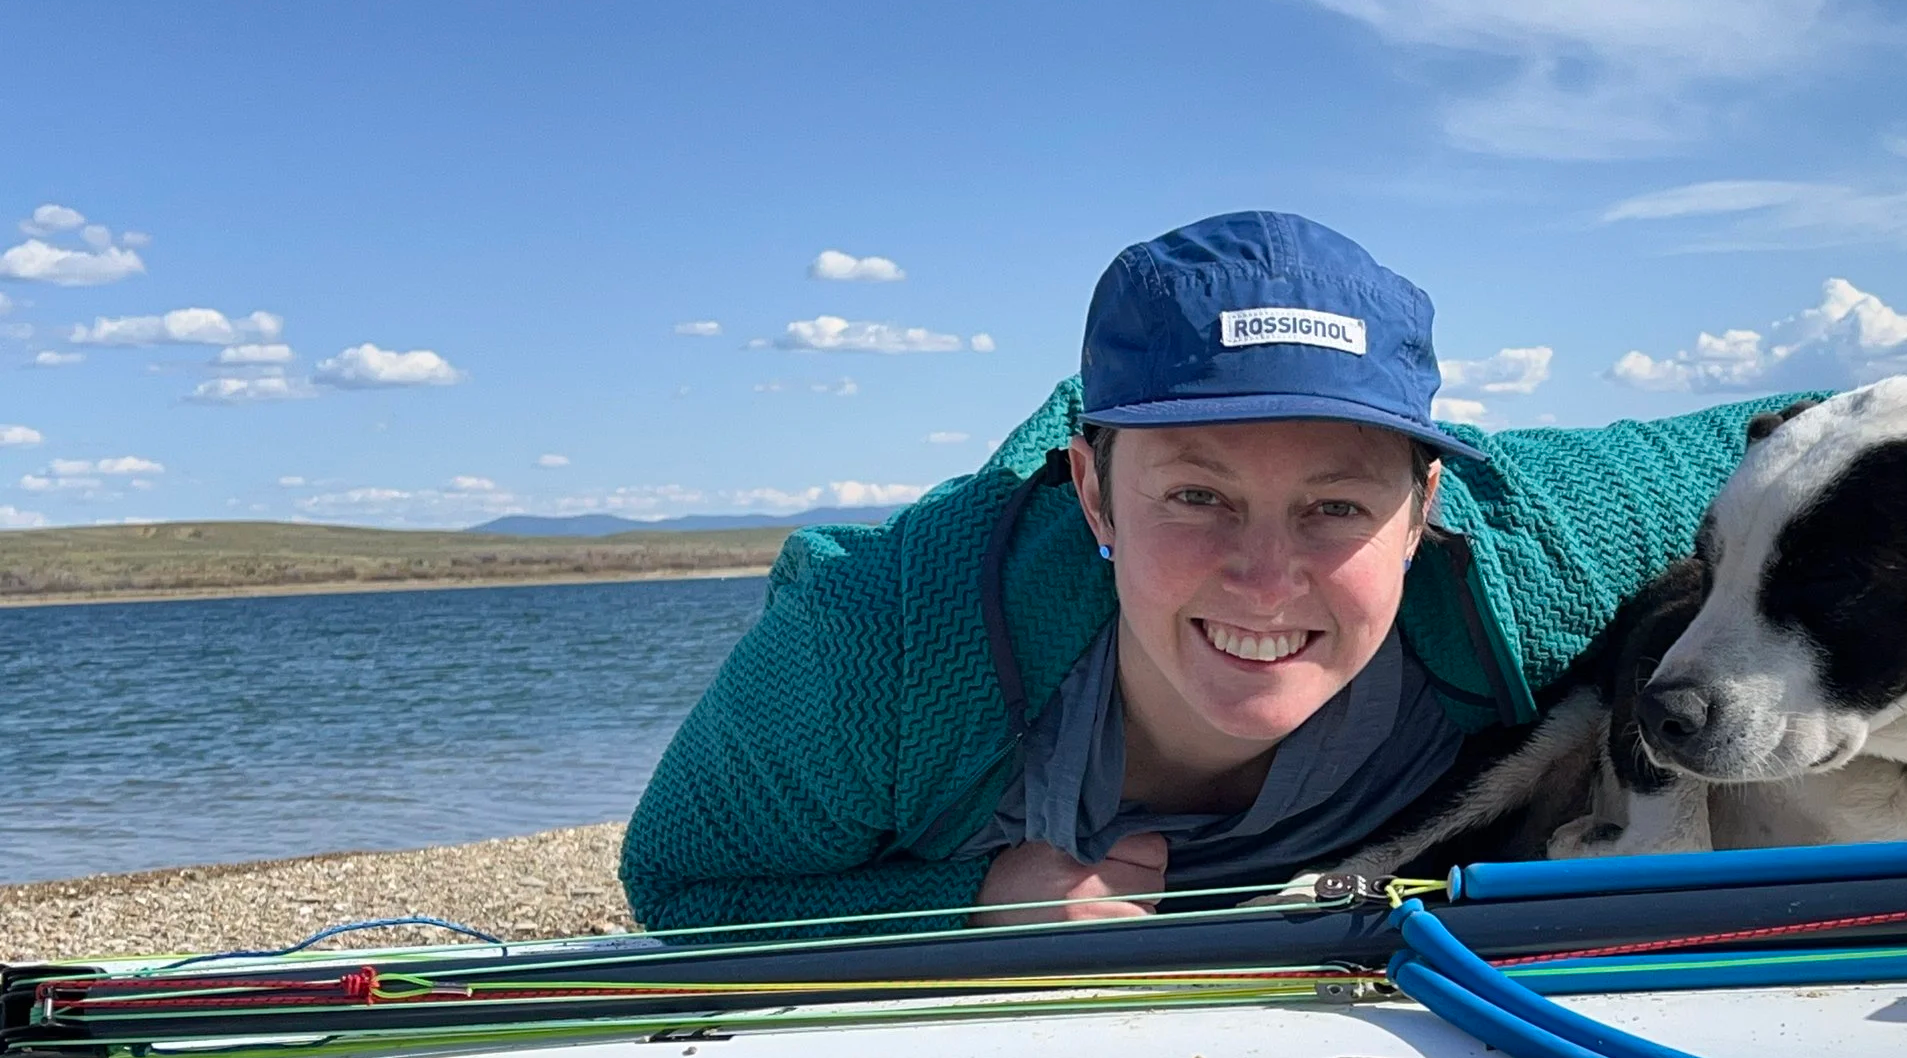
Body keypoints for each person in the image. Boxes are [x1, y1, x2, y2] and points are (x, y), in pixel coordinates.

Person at [620, 212, 1807, 933]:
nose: (1264, 573)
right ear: (1092, 488)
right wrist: (979, 903)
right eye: (1197, 495)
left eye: (1336, 504)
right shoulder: (881, 642)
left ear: (1422, 510)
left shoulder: (1535, 551)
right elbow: (681, 885)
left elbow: (1826, 434)